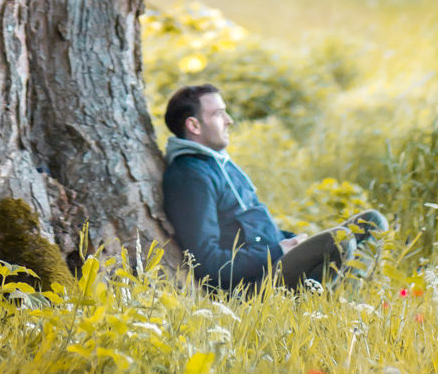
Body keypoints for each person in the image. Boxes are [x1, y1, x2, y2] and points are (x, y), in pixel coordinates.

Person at [161, 81, 385, 294]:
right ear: (194, 125)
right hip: (251, 285)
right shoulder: (190, 176)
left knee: (372, 222)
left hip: (274, 261)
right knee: (341, 239)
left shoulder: (219, 165)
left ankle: (344, 300)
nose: (228, 120)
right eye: (219, 113)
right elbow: (208, 264)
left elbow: (254, 229)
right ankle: (333, 302)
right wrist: (278, 251)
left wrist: (293, 241)